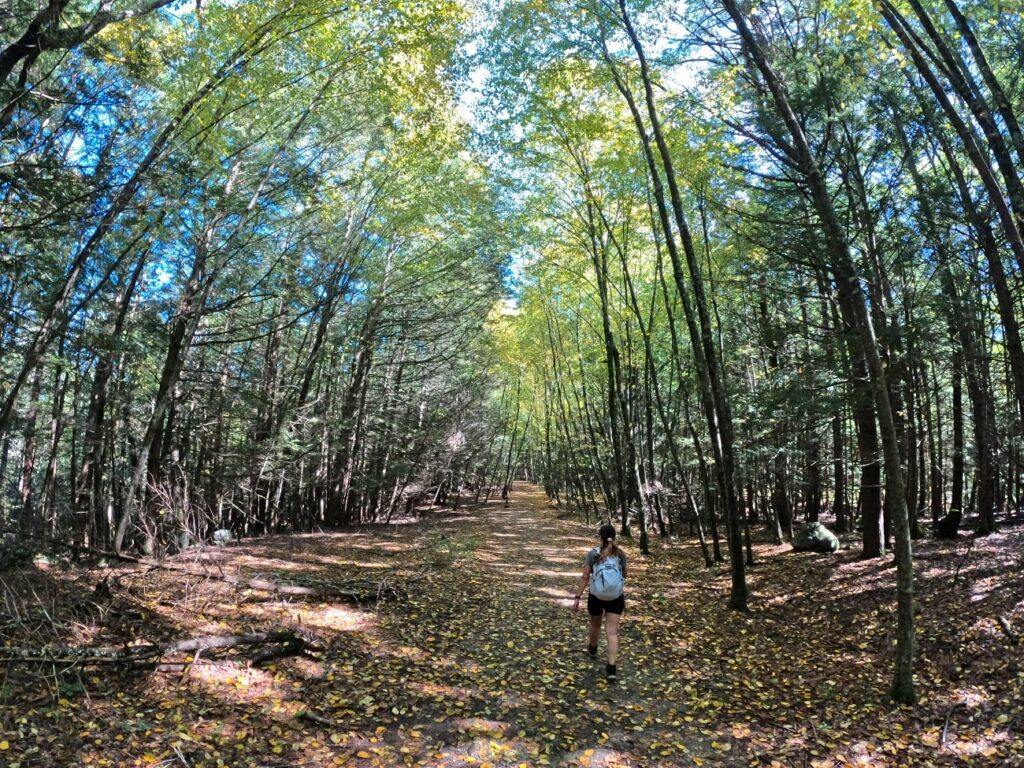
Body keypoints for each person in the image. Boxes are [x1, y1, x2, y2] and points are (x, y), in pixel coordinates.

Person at [572, 522, 626, 680]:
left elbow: (585, 577)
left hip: (596, 596)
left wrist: (577, 598)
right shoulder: (620, 554)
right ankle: (611, 668)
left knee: (595, 623)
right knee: (612, 631)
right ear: (614, 536)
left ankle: (593, 648)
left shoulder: (593, 554)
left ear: (600, 536)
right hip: (616, 597)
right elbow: (624, 575)